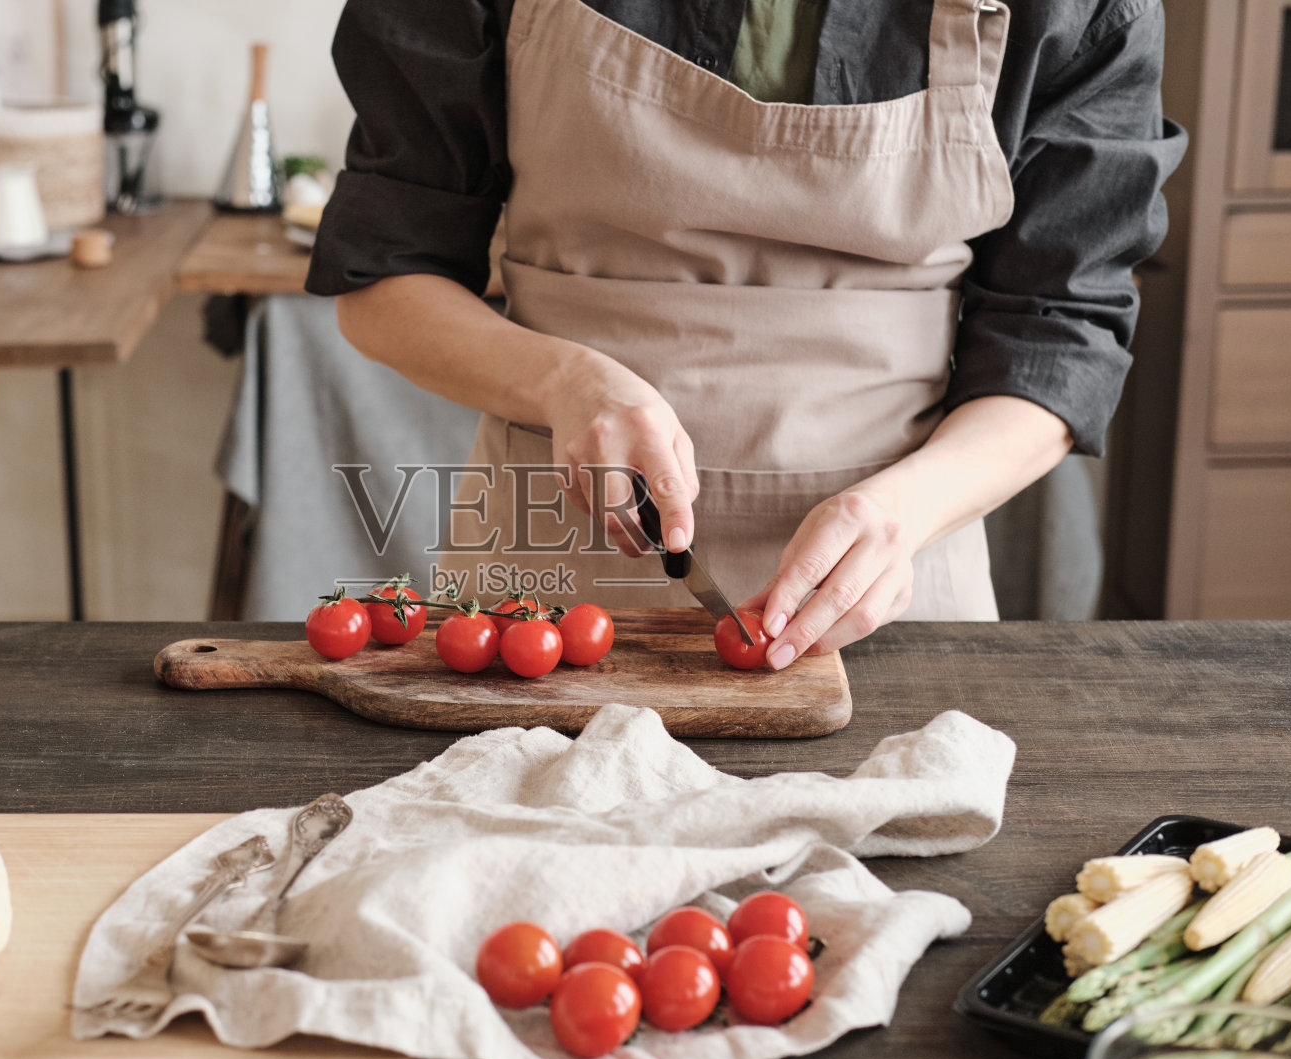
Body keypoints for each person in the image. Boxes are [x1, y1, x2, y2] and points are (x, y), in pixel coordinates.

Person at [305, 0, 1185, 669]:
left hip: (893, 587)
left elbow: (1062, 336)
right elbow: (380, 280)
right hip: (544, 604)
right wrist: (565, 383)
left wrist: (900, 512)